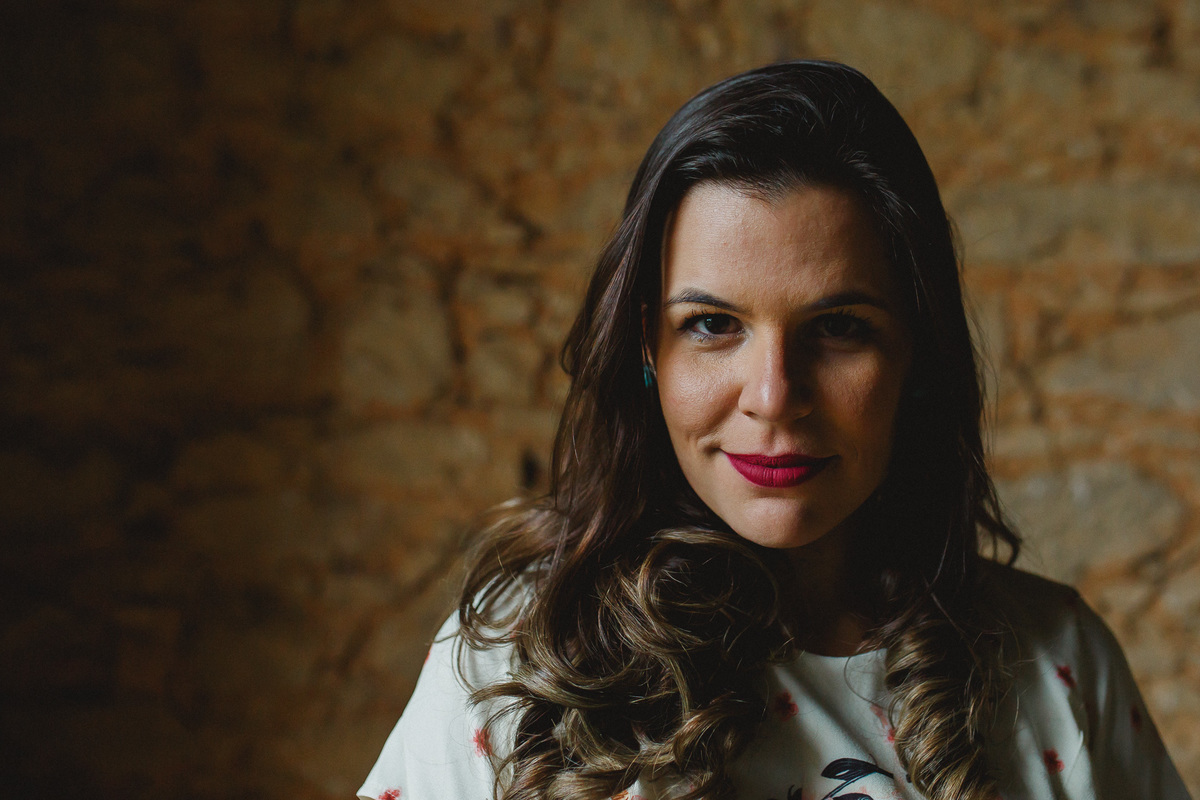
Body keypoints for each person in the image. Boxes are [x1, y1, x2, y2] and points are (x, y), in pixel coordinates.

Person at [358, 61, 1191, 800]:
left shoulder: (1057, 664)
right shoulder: (518, 659)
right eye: (713, 325)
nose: (774, 396)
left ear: (916, 351)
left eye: (839, 328)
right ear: (647, 349)